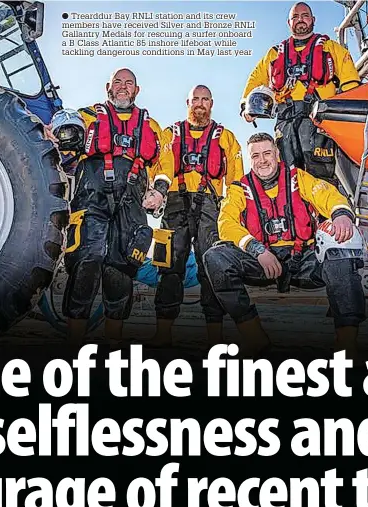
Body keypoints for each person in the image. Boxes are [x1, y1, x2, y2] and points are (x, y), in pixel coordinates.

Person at [203, 132, 366, 358]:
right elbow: (226, 223)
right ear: (250, 160)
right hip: (263, 261)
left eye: (267, 153)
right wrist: (256, 249)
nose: (263, 160)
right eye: (256, 156)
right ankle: (254, 337)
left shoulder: (298, 178)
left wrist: (340, 215)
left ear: (277, 154)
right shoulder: (238, 189)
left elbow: (327, 195)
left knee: (341, 250)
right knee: (214, 257)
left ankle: (347, 345)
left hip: (303, 261)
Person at [55, 68, 172, 346]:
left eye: (128, 83)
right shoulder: (88, 116)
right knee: (88, 260)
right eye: (117, 82)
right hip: (91, 198)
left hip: (132, 202)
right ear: (109, 87)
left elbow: (164, 165)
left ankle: (113, 347)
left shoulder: (152, 126)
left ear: (136, 90)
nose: (122, 87)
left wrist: (159, 192)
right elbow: (62, 139)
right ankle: (74, 344)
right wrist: (54, 135)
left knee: (120, 269)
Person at [144, 85, 244, 347]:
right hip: (175, 204)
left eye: (205, 100)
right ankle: (163, 333)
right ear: (187, 102)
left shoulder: (227, 137)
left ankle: (215, 337)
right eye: (195, 99)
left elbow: (236, 181)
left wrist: (232, 214)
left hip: (211, 205)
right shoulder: (170, 134)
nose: (199, 104)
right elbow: (156, 168)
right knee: (169, 268)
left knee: (210, 267)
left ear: (211, 103)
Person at [240, 2, 361, 186]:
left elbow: (350, 81)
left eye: (304, 15)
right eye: (295, 17)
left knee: (321, 175)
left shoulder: (331, 48)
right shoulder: (274, 54)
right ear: (289, 23)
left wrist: (347, 116)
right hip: (285, 122)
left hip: (319, 121)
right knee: (287, 178)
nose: (300, 20)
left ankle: (324, 214)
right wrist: (246, 107)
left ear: (313, 20)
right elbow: (255, 80)